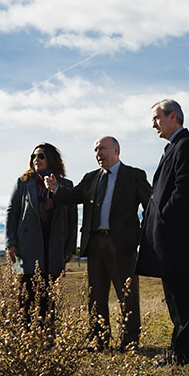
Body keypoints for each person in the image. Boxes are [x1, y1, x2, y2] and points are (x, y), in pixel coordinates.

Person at [45, 136, 151, 351]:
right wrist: (56, 189)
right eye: (95, 150)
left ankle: (130, 343)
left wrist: (139, 236)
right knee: (95, 296)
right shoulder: (91, 177)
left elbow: (150, 206)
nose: (98, 154)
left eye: (102, 148)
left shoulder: (134, 175)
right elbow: (72, 196)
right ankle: (98, 341)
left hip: (123, 245)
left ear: (116, 150)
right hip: (96, 244)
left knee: (127, 296)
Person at [136, 99, 189, 365]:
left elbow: (183, 191)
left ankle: (185, 356)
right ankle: (179, 352)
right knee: (174, 300)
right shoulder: (172, 148)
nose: (153, 124)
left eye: (156, 118)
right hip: (167, 236)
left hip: (177, 236)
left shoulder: (188, 146)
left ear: (173, 116)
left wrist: (163, 216)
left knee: (184, 299)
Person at [5, 142, 78, 321]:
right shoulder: (23, 182)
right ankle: (25, 335)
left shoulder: (66, 184)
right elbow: (12, 212)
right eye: (33, 156)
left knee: (49, 295)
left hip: (54, 244)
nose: (35, 159)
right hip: (28, 244)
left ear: (51, 159)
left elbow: (72, 218)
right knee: (26, 294)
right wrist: (11, 243)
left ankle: (48, 336)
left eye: (41, 156)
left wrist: (70, 247)